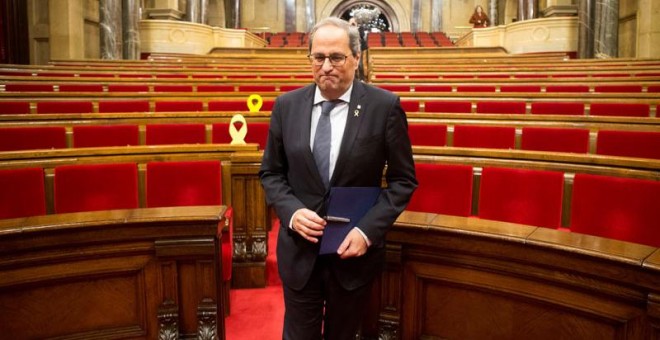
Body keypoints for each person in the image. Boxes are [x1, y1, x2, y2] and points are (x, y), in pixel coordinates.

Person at [259, 16, 417, 340]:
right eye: (319, 57)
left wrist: (366, 231)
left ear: (356, 59)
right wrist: (291, 212)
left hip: (353, 256)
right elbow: (271, 173)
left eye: (336, 57)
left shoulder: (384, 107)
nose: (326, 66)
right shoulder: (286, 106)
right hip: (300, 253)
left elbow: (403, 182)